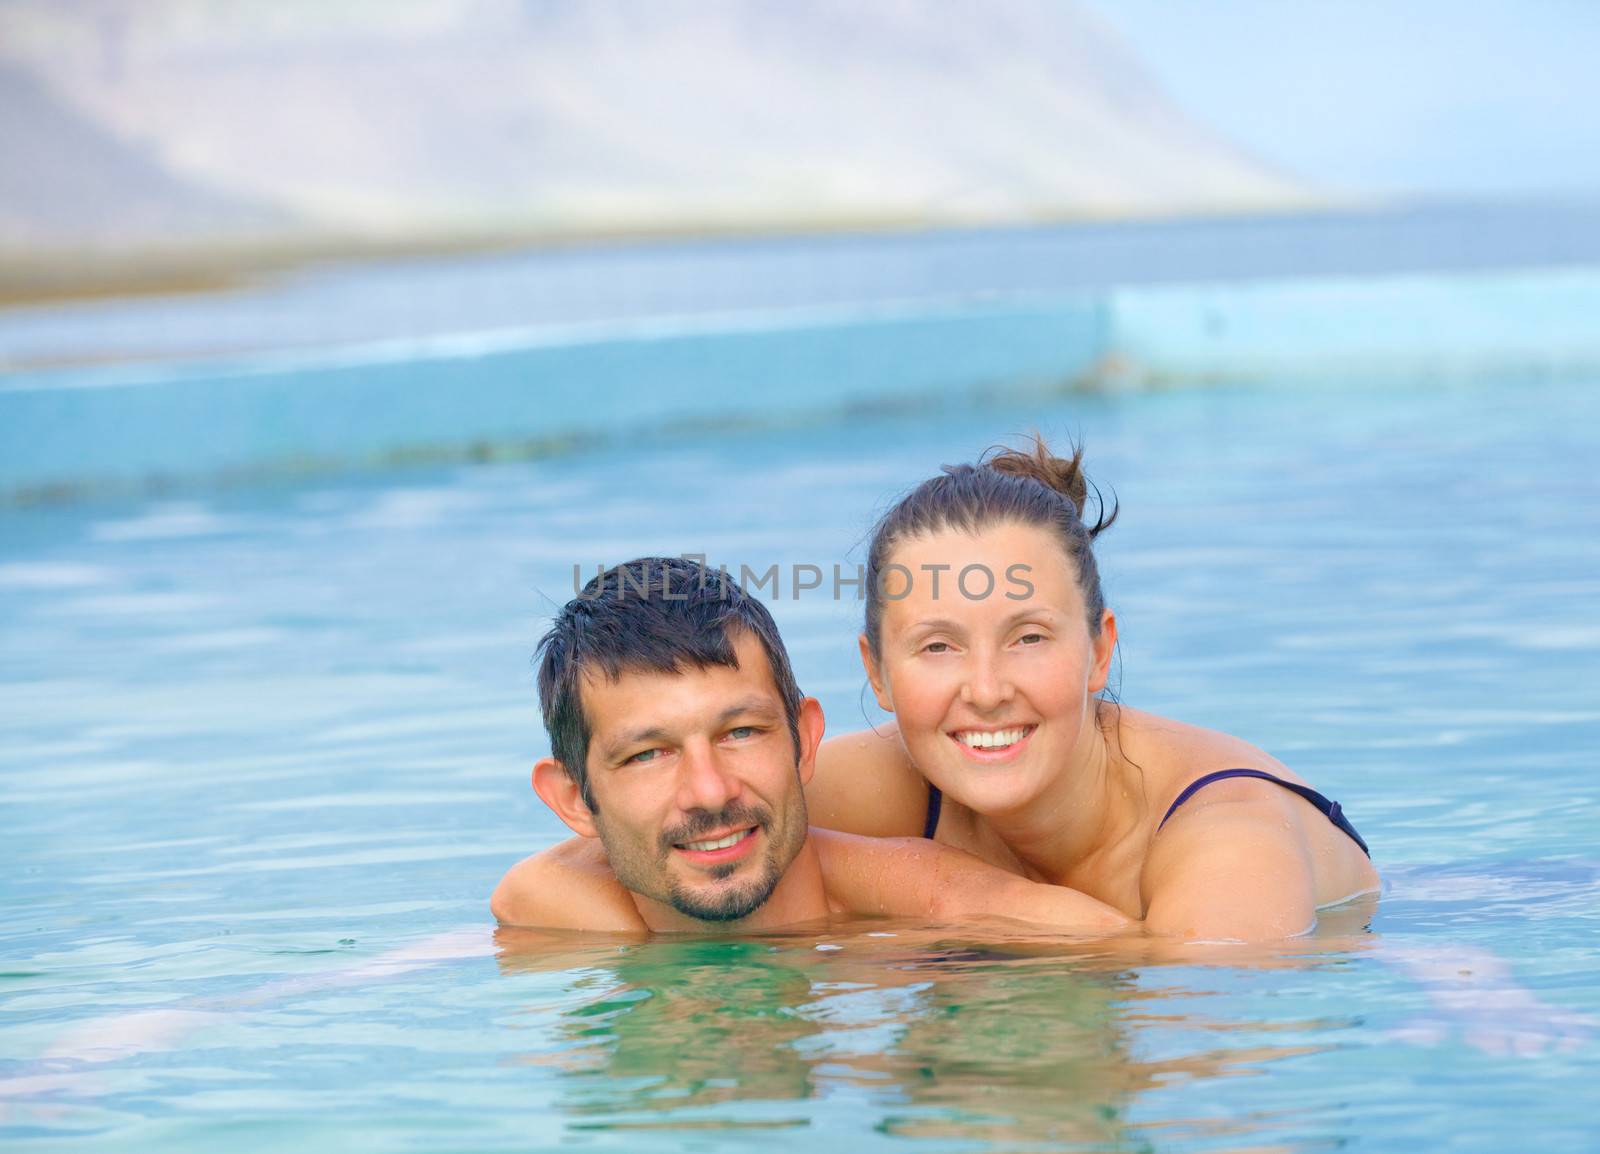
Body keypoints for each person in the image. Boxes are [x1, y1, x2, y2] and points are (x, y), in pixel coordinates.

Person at [803, 435, 1381, 940]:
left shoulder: (1228, 836)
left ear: (1099, 651)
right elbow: (721, 844)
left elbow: (1206, 1019)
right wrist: (931, 882)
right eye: (938, 647)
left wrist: (956, 896)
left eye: (1028, 638)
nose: (984, 690)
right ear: (876, 671)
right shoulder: (901, 781)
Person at [491, 556, 1131, 934]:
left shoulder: (939, 917)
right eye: (648, 754)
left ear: (804, 741)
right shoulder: (545, 922)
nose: (710, 790)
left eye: (740, 732)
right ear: (574, 800)